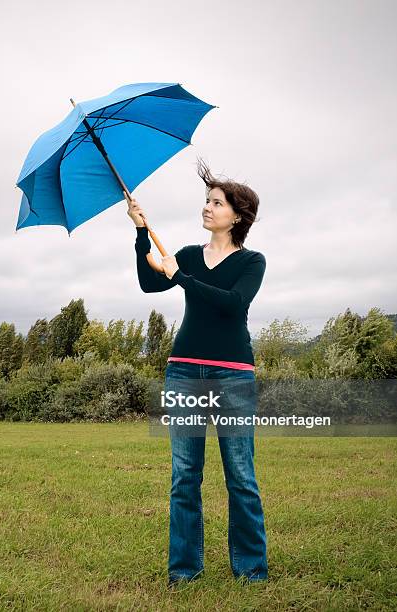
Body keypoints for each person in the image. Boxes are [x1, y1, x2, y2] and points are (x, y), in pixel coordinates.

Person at [126, 158, 268, 588]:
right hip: (184, 370)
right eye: (207, 201)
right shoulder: (187, 254)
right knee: (185, 476)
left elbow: (231, 304)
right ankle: (185, 571)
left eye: (217, 203)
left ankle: (251, 570)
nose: (208, 208)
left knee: (240, 475)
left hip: (233, 375)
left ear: (238, 216)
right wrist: (138, 232)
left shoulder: (252, 262)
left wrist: (182, 277)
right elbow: (150, 283)